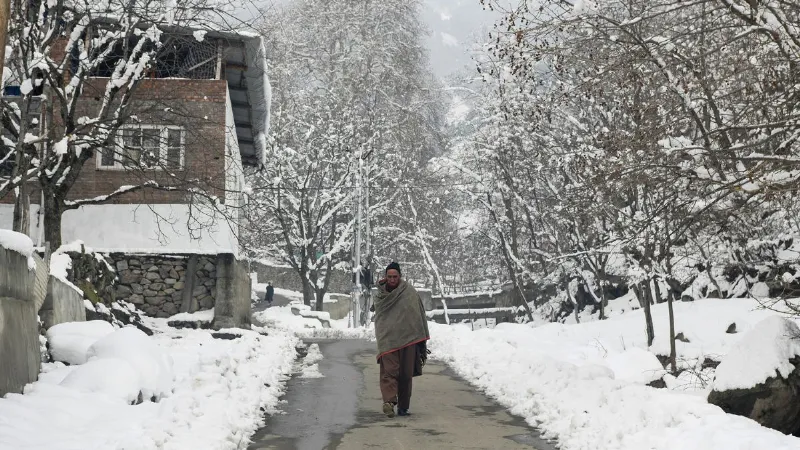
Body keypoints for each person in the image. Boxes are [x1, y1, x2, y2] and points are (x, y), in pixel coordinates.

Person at [373, 261, 430, 418]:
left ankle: (403, 407)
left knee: (405, 374)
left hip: (408, 339)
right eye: (389, 276)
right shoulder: (380, 295)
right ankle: (389, 402)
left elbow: (418, 315)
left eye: (395, 276)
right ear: (385, 276)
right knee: (389, 372)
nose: (392, 279)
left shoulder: (409, 292)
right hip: (387, 340)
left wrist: (421, 344)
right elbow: (380, 317)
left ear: (400, 276)